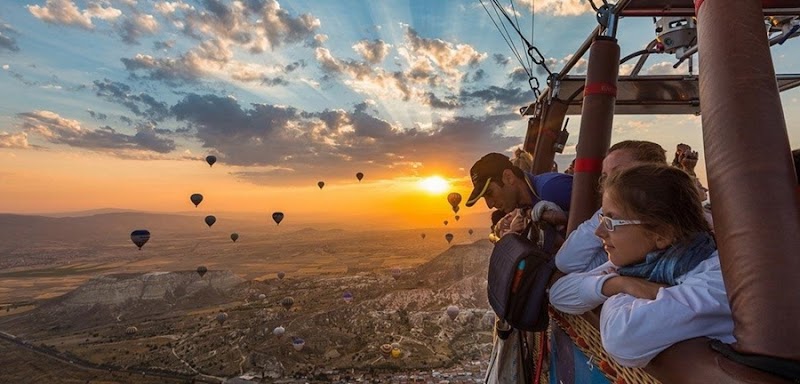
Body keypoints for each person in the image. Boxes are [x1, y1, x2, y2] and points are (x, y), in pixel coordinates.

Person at [549, 164, 734, 368]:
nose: (599, 232)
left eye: (611, 222)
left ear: (661, 234)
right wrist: (622, 285)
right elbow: (558, 294)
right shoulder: (644, 263)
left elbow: (622, 338)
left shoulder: (716, 280)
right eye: (602, 217)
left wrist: (617, 295)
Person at [555, 140, 667, 274]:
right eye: (605, 177)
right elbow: (567, 262)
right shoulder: (615, 244)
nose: (609, 183)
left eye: (618, 174)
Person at [465, 152, 572, 229]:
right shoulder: (527, 205)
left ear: (508, 177)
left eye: (489, 193)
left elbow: (587, 222)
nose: (490, 204)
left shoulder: (550, 188)